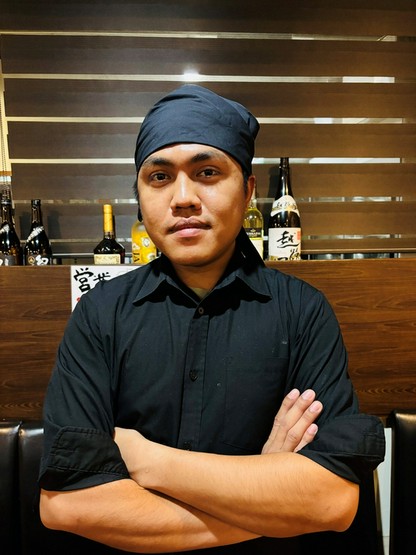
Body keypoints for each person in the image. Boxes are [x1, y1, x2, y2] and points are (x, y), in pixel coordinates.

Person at [38, 85, 385, 554]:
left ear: (248, 191)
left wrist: (149, 460)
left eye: (207, 172)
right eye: (159, 177)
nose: (182, 197)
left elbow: (331, 501)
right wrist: (268, 492)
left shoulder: (303, 311)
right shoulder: (100, 314)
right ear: (139, 197)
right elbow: (70, 506)